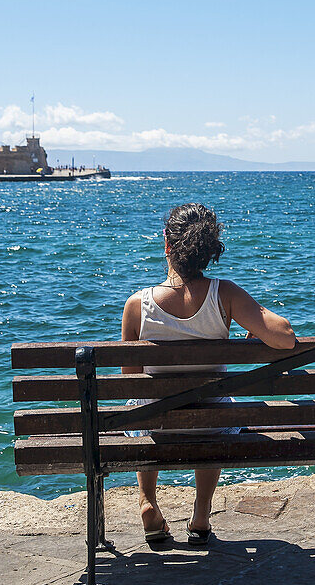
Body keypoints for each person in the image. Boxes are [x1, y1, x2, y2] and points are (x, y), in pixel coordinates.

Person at [121, 202, 295, 545]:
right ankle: (201, 514)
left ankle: (147, 501)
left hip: (156, 422)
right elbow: (285, 337)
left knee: (138, 404)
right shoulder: (224, 294)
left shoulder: (137, 305)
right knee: (219, 406)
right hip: (211, 422)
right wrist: (257, 330)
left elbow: (131, 377)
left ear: (168, 245)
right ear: (209, 252)